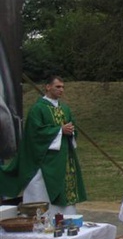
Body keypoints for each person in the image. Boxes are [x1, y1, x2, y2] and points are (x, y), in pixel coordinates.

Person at [0, 75, 87, 216]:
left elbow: (71, 126)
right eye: (58, 86)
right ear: (47, 87)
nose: (61, 90)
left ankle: (67, 218)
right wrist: (59, 130)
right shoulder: (38, 109)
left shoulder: (65, 108)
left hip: (64, 159)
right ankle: (43, 220)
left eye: (63, 87)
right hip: (44, 160)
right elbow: (35, 133)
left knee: (66, 192)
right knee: (41, 189)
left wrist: (71, 130)